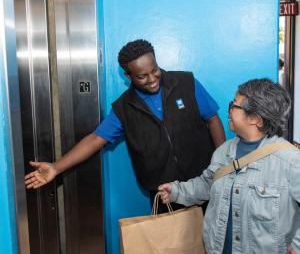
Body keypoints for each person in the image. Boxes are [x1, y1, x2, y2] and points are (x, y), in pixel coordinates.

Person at [25, 39, 225, 212]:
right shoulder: (124, 108)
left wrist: (220, 165)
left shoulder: (186, 83)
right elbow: (96, 139)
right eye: (142, 76)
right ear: (127, 75)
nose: (152, 79)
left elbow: (212, 119)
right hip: (165, 194)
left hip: (204, 183)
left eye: (154, 70)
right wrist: (56, 167)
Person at [159, 78, 300, 253]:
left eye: (234, 105)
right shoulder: (223, 151)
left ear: (256, 119)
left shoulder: (291, 161)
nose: (229, 109)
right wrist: (176, 191)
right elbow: (207, 184)